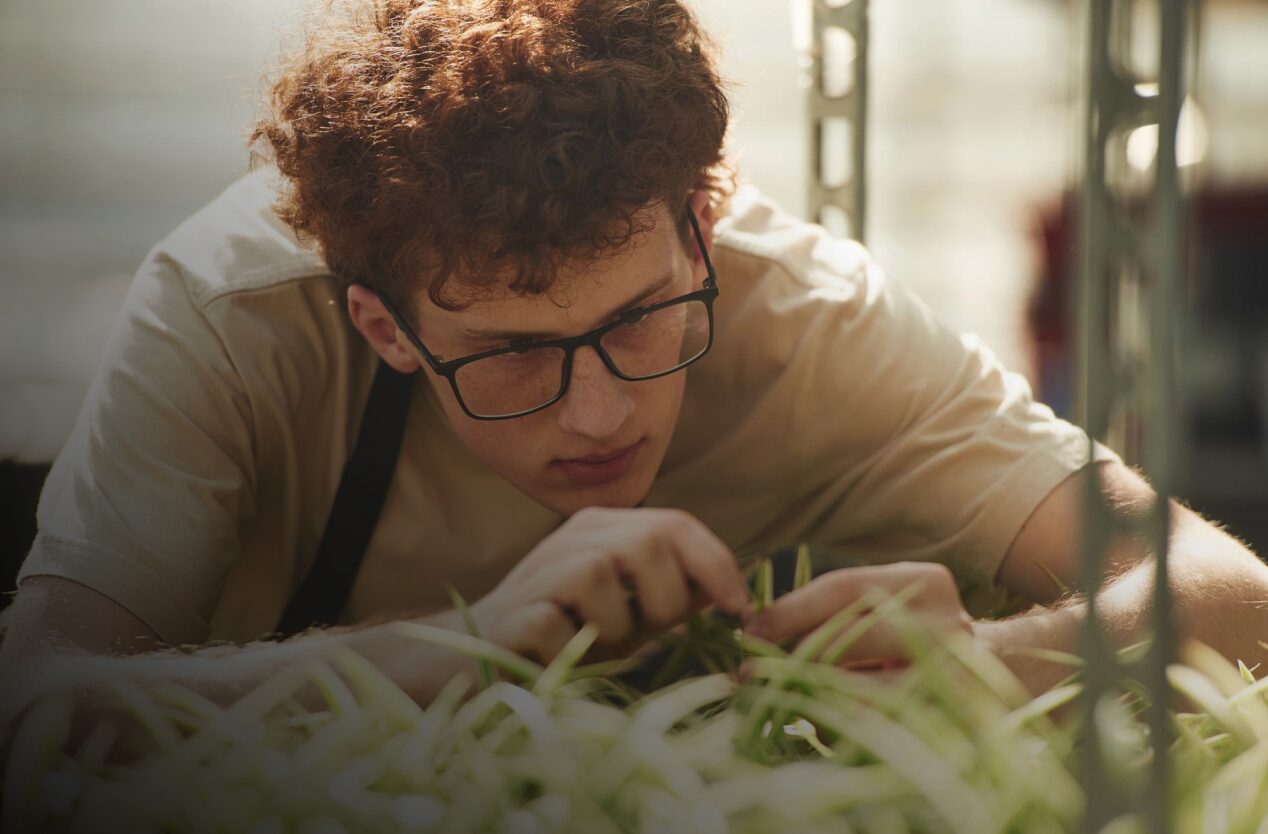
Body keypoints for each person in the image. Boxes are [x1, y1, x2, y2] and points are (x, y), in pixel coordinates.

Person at [2, 0, 1266, 743]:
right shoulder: (226, 311)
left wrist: (985, 667)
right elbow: (37, 711)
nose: (601, 413)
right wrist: (472, 649)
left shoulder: (807, 311)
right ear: (381, 326)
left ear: (701, 229)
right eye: (508, 353)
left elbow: (1226, 593)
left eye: (642, 320)